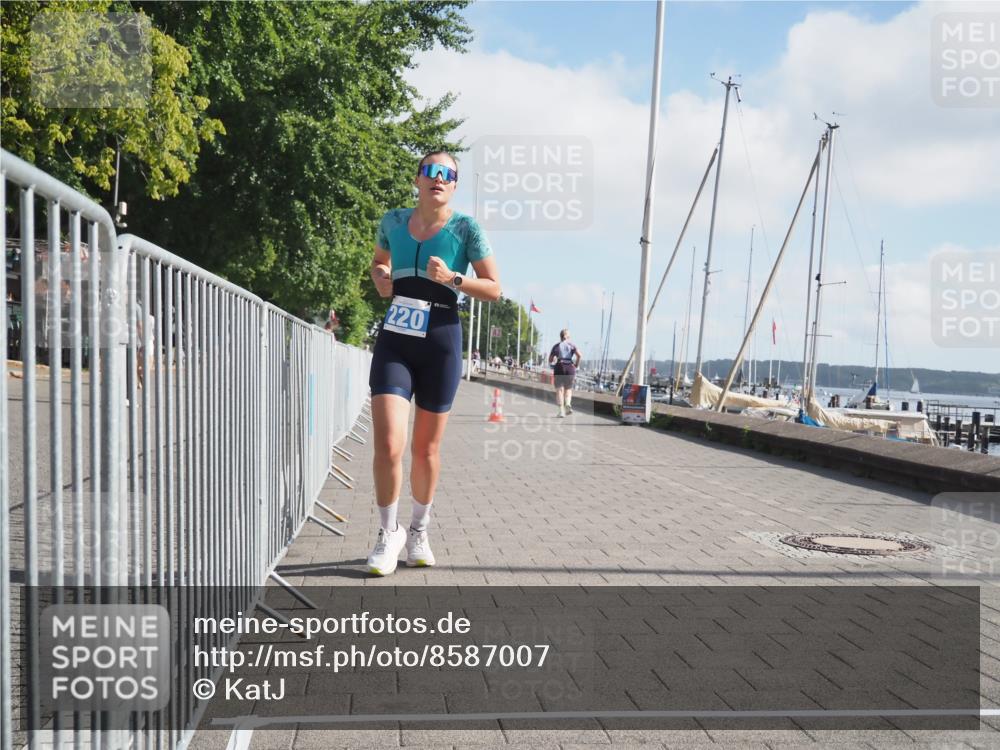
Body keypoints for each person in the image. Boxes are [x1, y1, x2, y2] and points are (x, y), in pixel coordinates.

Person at [366, 150, 501, 576]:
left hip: (441, 339)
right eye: (431, 171)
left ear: (455, 185)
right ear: (418, 178)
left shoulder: (465, 229)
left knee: (425, 450)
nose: (438, 179)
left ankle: (418, 530)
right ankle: (389, 534)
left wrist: (455, 279)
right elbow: (379, 265)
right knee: (389, 444)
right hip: (396, 339)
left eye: (448, 174)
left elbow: (495, 289)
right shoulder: (392, 221)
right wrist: (380, 277)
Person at [549, 329, 581, 417]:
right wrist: (576, 365)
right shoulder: (572, 345)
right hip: (570, 368)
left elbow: (550, 360)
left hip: (559, 367)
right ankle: (567, 403)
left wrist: (554, 360)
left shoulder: (556, 346)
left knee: (559, 390)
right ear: (568, 337)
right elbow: (579, 355)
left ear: (560, 336)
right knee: (568, 389)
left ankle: (561, 411)